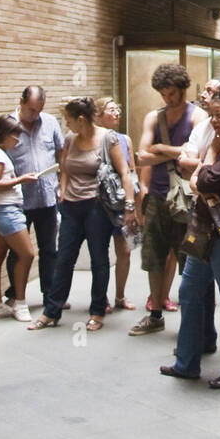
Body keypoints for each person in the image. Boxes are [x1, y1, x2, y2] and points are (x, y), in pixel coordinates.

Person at [160, 90, 220, 388]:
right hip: (206, 231)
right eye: (211, 115)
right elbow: (197, 180)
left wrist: (208, 155)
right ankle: (187, 362)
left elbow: (199, 181)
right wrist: (203, 169)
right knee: (189, 292)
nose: (214, 122)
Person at [29, 97, 135, 331]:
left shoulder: (108, 138)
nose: (66, 126)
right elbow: (65, 166)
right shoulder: (70, 139)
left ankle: (97, 311)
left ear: (81, 119)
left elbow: (125, 173)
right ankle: (52, 310)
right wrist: (63, 192)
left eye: (68, 121)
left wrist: (129, 206)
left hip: (97, 206)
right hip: (71, 207)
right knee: (64, 258)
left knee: (99, 259)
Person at [129, 64, 207, 335]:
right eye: (164, 94)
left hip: (188, 198)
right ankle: (155, 312)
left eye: (172, 93)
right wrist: (175, 152)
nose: (168, 99)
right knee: (154, 257)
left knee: (190, 258)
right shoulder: (154, 117)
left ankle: (193, 319)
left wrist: (161, 148)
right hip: (159, 196)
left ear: (183, 89)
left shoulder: (197, 116)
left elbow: (198, 158)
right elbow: (142, 157)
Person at [4, 86, 64, 309]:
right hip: (18, 200)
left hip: (47, 196)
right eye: (31, 110)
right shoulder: (8, 124)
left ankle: (50, 296)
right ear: (20, 101)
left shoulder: (49, 122)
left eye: (38, 110)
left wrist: (61, 183)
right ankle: (15, 294)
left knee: (49, 249)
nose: (34, 115)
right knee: (18, 251)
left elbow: (61, 152)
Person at [0, 114, 38, 321]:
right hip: (4, 209)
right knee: (27, 254)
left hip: (3, 207)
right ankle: (20, 302)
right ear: (5, 135)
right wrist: (21, 180)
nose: (18, 141)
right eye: (15, 136)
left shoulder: (0, 152)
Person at [95, 96, 142, 309]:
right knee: (100, 251)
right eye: (111, 110)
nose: (116, 114)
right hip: (99, 203)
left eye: (117, 109)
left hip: (122, 202)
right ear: (98, 115)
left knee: (124, 250)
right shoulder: (93, 139)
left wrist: (135, 206)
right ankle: (100, 298)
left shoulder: (125, 139)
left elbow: (131, 172)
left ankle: (120, 296)